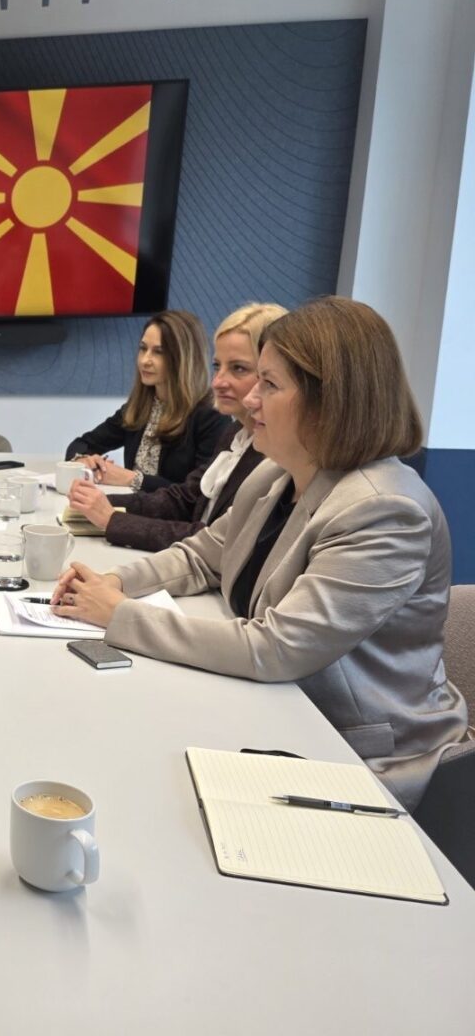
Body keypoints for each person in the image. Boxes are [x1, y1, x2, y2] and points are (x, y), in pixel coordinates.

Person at [51, 298, 467, 808]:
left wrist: (120, 615)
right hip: (275, 713)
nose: (249, 399)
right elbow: (203, 554)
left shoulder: (386, 510)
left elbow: (277, 648)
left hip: (358, 757)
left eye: (268, 384)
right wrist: (117, 582)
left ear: (329, 400)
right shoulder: (277, 473)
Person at [66, 303, 285, 550]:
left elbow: (216, 540)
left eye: (238, 368)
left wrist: (113, 518)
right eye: (217, 366)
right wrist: (97, 501)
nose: (217, 381)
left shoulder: (265, 448)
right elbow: (188, 498)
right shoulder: (235, 434)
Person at [65, 309, 228, 493]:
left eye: (158, 352)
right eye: (143, 348)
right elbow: (81, 444)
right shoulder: (139, 407)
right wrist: (83, 461)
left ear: (184, 358)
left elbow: (197, 492)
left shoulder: (212, 415)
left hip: (165, 512)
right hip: (130, 507)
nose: (145, 360)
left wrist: (132, 478)